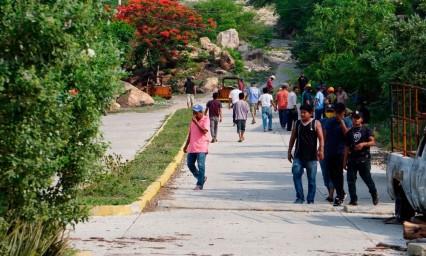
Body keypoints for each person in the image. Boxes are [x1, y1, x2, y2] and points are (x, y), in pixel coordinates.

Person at [287, 104, 324, 204]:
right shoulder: (298, 124)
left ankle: (310, 199)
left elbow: (321, 138)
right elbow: (293, 137)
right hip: (298, 155)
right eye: (301, 112)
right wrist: (289, 151)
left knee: (311, 179)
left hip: (311, 156)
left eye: (304, 112)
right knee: (296, 174)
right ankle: (299, 197)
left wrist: (321, 150)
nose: (302, 114)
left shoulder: (316, 123)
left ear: (310, 113)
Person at [343, 110, 379, 206]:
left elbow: (373, 142)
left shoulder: (366, 129)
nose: (356, 120)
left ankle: (374, 193)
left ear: (361, 119)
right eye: (354, 118)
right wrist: (344, 160)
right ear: (352, 119)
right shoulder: (349, 132)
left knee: (367, 179)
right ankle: (353, 200)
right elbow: (346, 147)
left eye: (358, 118)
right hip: (352, 159)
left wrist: (363, 144)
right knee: (350, 181)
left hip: (364, 158)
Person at [324, 102, 352, 206]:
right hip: (330, 151)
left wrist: (342, 123)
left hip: (341, 152)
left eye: (341, 113)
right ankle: (342, 193)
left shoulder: (347, 122)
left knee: (338, 174)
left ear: (344, 113)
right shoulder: (329, 122)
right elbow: (325, 136)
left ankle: (339, 196)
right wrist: (321, 148)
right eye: (337, 113)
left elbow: (348, 136)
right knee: (332, 175)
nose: (339, 115)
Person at [183, 105, 210, 190]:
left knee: (201, 165)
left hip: (202, 146)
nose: (194, 115)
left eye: (196, 113)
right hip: (192, 146)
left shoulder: (206, 119)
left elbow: (204, 131)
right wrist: (186, 145)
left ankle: (199, 184)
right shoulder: (193, 121)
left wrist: (196, 123)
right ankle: (201, 178)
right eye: (193, 112)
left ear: (201, 112)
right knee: (190, 164)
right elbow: (190, 134)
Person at [320, 104, 336, 202]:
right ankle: (330, 191)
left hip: (335, 151)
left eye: (331, 111)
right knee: (325, 173)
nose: (329, 113)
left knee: (332, 173)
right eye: (328, 110)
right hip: (324, 151)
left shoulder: (339, 122)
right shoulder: (320, 122)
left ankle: (331, 194)